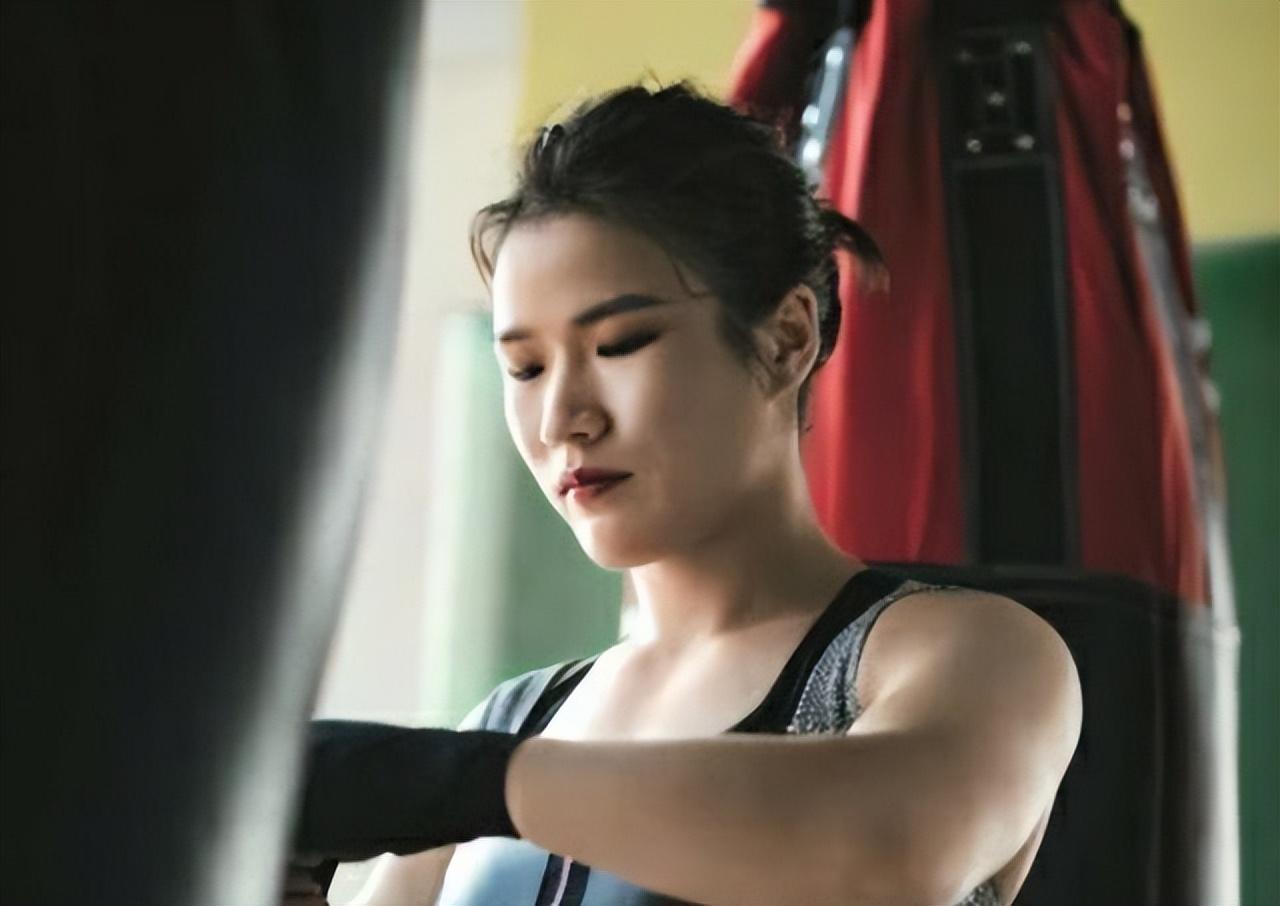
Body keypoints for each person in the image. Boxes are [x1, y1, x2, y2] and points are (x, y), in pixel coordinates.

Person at [285, 81, 1082, 906]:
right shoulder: (507, 721)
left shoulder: (974, 654)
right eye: (525, 367)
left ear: (786, 339)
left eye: (621, 343)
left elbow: (892, 850)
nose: (564, 418)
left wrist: (465, 783)